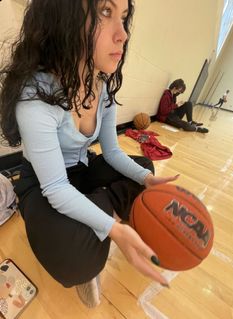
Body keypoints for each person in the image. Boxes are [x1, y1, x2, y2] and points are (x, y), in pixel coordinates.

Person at [0, 0, 179, 308]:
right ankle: (103, 212)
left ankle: (98, 212)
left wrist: (147, 179)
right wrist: (115, 229)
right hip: (43, 185)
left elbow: (111, 152)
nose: (122, 34)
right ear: (65, 17)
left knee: (145, 167)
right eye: (105, 12)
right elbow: (55, 188)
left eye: (124, 18)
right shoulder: (35, 94)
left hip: (83, 169)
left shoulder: (103, 86)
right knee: (76, 261)